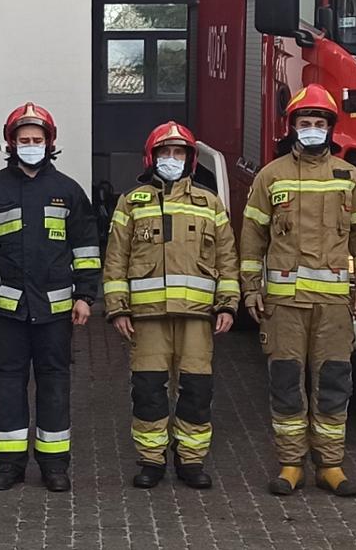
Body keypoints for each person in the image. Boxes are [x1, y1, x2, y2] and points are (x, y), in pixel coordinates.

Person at [238, 85, 356, 498]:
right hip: (283, 304)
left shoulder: (349, 177)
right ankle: (290, 463)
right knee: (285, 382)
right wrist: (250, 288)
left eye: (319, 124)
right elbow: (251, 237)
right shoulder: (272, 175)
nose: (312, 130)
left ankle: (330, 465)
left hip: (334, 305)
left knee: (334, 382)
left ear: (330, 129)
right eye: (305, 123)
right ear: (292, 127)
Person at [0, 103, 100, 493]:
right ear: (10, 143)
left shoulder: (68, 191)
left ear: (49, 143)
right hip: (7, 312)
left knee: (55, 386)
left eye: (37, 140)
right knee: (7, 386)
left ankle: (55, 466)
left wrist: (85, 296)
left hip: (56, 313)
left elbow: (86, 247)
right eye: (23, 140)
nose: (30, 145)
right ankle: (9, 465)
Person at [102, 121, 240, 489]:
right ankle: (151, 459)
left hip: (198, 319)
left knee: (196, 391)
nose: (172, 159)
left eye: (179, 153)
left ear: (190, 159)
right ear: (152, 157)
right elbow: (116, 258)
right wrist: (118, 307)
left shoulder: (210, 204)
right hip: (147, 320)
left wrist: (228, 305)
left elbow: (228, 257)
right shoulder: (131, 203)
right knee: (148, 390)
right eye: (166, 152)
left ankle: (191, 461)